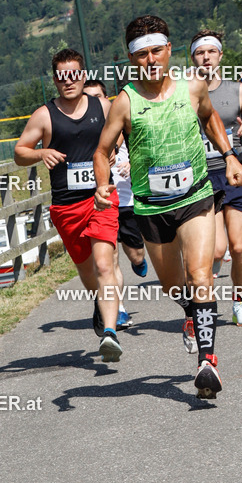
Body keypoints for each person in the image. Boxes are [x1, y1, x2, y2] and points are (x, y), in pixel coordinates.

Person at [94, 15, 242, 399]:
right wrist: (102, 184)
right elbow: (101, 150)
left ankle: (207, 362)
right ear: (132, 59)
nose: (151, 60)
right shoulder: (124, 102)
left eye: (156, 51)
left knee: (201, 276)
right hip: (152, 208)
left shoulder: (192, 86)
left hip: (196, 197)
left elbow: (210, 118)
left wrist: (230, 156)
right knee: (172, 285)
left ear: (168, 49)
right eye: (141, 54)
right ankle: (191, 312)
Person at [14, 50, 123, 362]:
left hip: (101, 196)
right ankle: (100, 303)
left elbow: (121, 133)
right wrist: (40, 153)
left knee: (105, 264)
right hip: (66, 206)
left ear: (83, 75)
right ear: (55, 80)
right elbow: (20, 152)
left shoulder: (102, 106)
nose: (69, 81)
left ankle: (110, 332)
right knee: (87, 269)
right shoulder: (44, 115)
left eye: (74, 74)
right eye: (62, 76)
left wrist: (114, 149)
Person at [191, 31, 242, 326]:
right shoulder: (186, 92)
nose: (206, 57)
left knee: (239, 247)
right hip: (203, 177)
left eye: (211, 52)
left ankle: (240, 305)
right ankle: (202, 303)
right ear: (192, 58)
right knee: (218, 249)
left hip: (236, 175)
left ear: (220, 56)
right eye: (200, 52)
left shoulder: (238, 90)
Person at [84, 80, 136, 327]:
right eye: (88, 97)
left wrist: (131, 163)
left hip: (129, 199)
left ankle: (138, 260)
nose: (92, 102)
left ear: (107, 100)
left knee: (135, 254)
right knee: (110, 259)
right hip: (103, 202)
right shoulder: (83, 131)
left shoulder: (124, 122)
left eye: (97, 97)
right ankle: (119, 309)